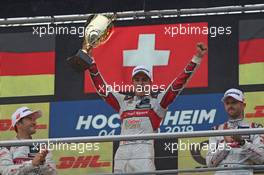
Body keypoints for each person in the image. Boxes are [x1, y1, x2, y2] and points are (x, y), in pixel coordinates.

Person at [76, 42, 207, 173]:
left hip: (143, 154)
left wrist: (196, 58)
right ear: (132, 82)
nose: (140, 83)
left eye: (144, 79)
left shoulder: (158, 101)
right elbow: (102, 89)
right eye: (137, 79)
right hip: (122, 153)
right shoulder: (123, 101)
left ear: (150, 82)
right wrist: (91, 62)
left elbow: (178, 84)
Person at [206, 88, 264, 175]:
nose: (230, 106)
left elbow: (262, 159)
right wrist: (226, 145)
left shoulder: (255, 128)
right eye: (227, 103)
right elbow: (210, 163)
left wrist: (242, 143)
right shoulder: (216, 130)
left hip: (244, 172)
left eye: (234, 102)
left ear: (243, 105)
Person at [0, 107, 57, 175]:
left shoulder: (42, 147)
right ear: (18, 124)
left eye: (34, 119)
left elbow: (53, 173)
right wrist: (32, 164)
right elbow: (5, 171)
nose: (34, 122)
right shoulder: (6, 147)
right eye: (30, 119)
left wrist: (42, 164)